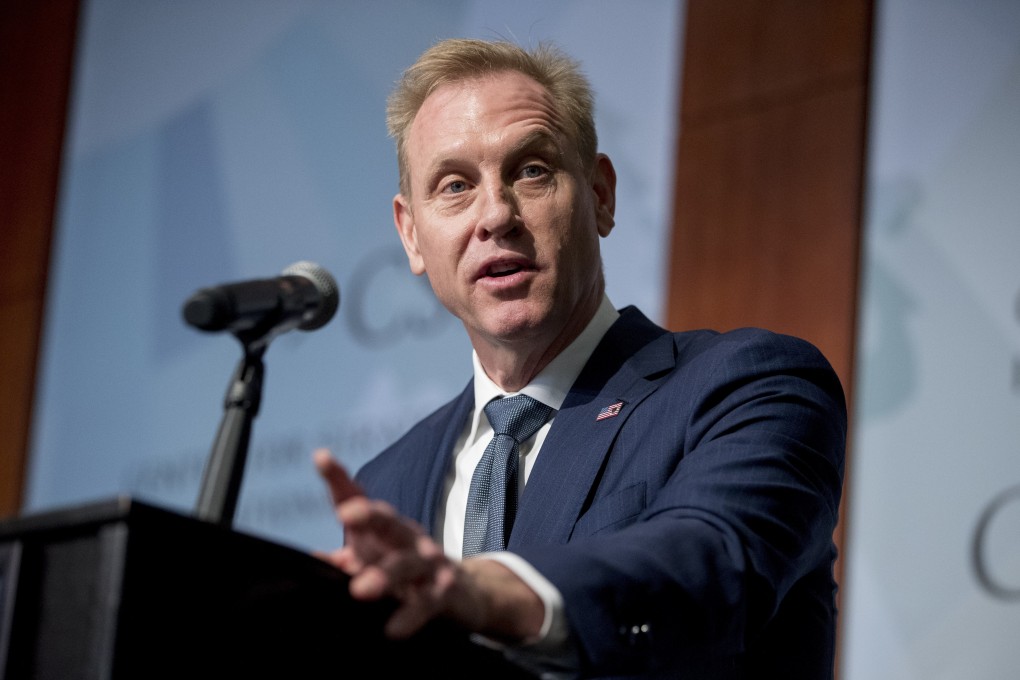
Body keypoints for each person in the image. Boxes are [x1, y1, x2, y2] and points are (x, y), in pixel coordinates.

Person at [313, 38, 846, 679]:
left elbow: (713, 560)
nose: (496, 215)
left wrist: (485, 592)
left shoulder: (751, 385)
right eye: (455, 185)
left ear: (600, 195)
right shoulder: (385, 485)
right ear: (411, 233)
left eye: (531, 170)